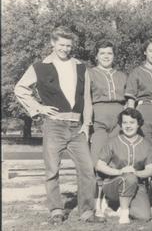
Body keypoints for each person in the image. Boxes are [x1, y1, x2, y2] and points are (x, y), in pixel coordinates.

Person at [14, 26, 103, 224]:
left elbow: (86, 99)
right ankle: (56, 211)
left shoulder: (81, 66)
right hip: (54, 125)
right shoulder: (39, 66)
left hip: (77, 127)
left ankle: (87, 212)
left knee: (87, 170)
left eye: (68, 45)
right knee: (52, 170)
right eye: (61, 45)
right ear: (52, 43)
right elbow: (20, 88)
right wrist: (38, 108)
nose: (65, 49)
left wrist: (86, 124)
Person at [88, 41, 127, 217]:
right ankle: (97, 204)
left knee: (115, 159)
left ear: (114, 56)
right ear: (96, 56)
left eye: (109, 53)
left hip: (118, 116)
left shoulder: (122, 75)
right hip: (99, 115)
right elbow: (85, 99)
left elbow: (127, 100)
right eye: (102, 53)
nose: (106, 56)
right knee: (98, 159)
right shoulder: (90, 73)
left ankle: (112, 202)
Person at [95, 108, 152, 224]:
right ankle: (123, 212)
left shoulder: (146, 145)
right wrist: (120, 172)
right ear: (121, 125)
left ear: (138, 124)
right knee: (129, 178)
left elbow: (150, 170)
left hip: (137, 184)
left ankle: (115, 206)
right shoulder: (112, 142)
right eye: (125, 122)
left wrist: (135, 173)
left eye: (132, 122)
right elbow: (99, 165)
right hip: (113, 184)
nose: (128, 126)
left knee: (143, 216)